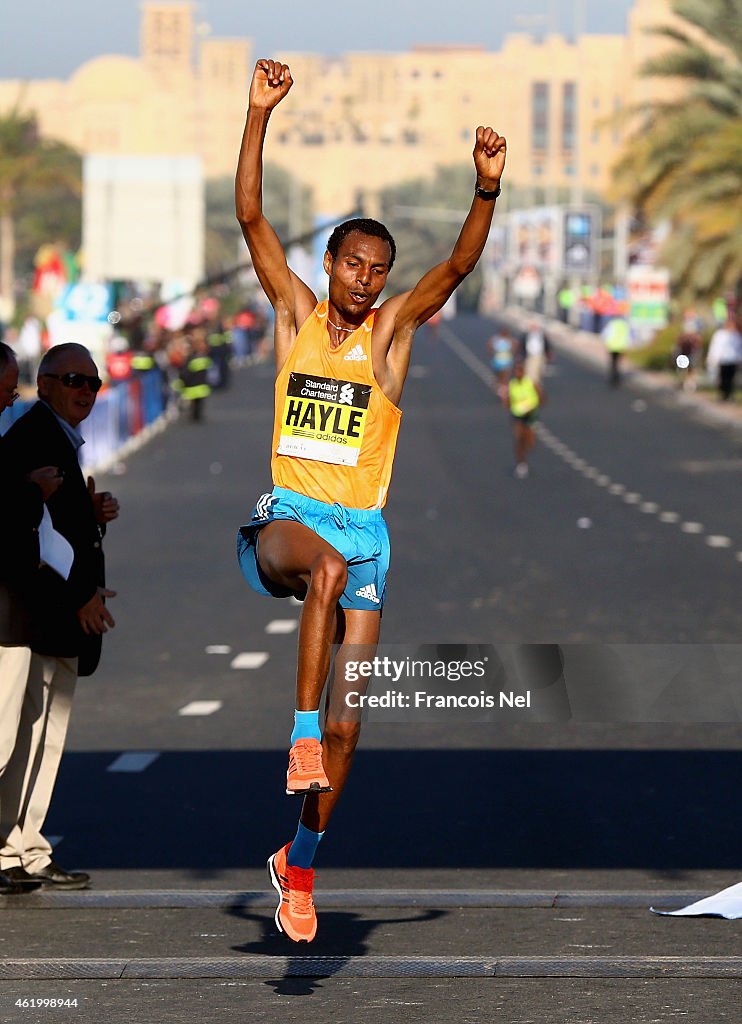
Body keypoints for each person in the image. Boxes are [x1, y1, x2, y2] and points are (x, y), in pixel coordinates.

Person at [235, 58, 506, 943]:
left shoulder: (389, 340)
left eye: (377, 269)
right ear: (329, 263)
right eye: (352, 262)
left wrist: (485, 190)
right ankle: (300, 729)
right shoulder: (294, 315)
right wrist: (258, 115)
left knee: (356, 732)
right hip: (290, 520)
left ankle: (299, 864)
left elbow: (459, 266)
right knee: (321, 569)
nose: (364, 278)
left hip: (366, 534)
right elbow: (250, 215)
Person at [0, 343, 119, 890]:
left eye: (92, 384)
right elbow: (30, 538)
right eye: (73, 380)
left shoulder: (59, 441)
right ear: (43, 383)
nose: (85, 392)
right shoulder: (32, 438)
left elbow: (59, 525)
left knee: (43, 736)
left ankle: (27, 846)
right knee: (14, 738)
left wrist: (90, 515)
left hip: (53, 617)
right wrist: (79, 598)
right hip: (34, 615)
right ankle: (10, 846)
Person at [507, 360, 544, 478]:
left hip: (531, 414)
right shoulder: (512, 384)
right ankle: (521, 464)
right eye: (516, 371)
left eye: (520, 371)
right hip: (517, 414)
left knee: (529, 442)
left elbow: (541, 396)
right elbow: (508, 400)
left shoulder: (531, 383)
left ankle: (527, 444)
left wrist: (534, 407)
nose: (518, 374)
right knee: (518, 438)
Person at [706, 314, 742, 401]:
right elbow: (715, 347)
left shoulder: (736, 335)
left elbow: (739, 348)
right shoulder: (720, 335)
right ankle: (722, 394)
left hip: (733, 360)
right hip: (723, 359)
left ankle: (728, 395)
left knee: (731, 379)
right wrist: (713, 357)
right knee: (723, 378)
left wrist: (739, 359)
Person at [601, 314, 630, 387]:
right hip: (621, 347)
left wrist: (605, 343)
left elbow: (605, 334)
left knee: (613, 363)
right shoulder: (624, 325)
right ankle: (617, 377)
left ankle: (612, 377)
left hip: (612, 346)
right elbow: (628, 336)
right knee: (618, 363)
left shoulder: (612, 324)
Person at [487, 326, 515, 399]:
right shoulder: (495, 339)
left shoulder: (510, 339)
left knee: (506, 377)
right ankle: (499, 388)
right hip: (497, 361)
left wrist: (512, 353)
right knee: (499, 377)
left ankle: (504, 392)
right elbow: (489, 346)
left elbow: (515, 347)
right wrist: (492, 353)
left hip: (507, 361)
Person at [521, 320, 550, 385]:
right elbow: (522, 345)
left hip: (539, 356)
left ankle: (536, 386)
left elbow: (546, 345)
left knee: (538, 372)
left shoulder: (541, 335)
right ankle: (532, 386)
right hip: (530, 356)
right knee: (530, 373)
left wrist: (548, 353)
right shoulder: (527, 335)